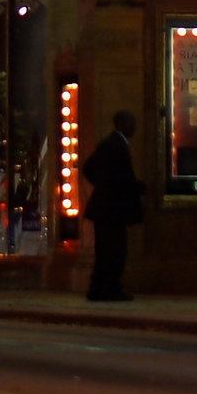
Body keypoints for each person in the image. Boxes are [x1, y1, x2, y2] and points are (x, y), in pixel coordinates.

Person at [81, 108, 142, 301]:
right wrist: (113, 189)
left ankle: (98, 288)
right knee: (114, 250)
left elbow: (88, 168)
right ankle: (110, 288)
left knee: (105, 250)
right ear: (123, 124)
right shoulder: (116, 145)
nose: (135, 127)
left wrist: (102, 186)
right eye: (131, 123)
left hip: (105, 208)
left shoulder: (109, 143)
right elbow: (120, 177)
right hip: (112, 209)